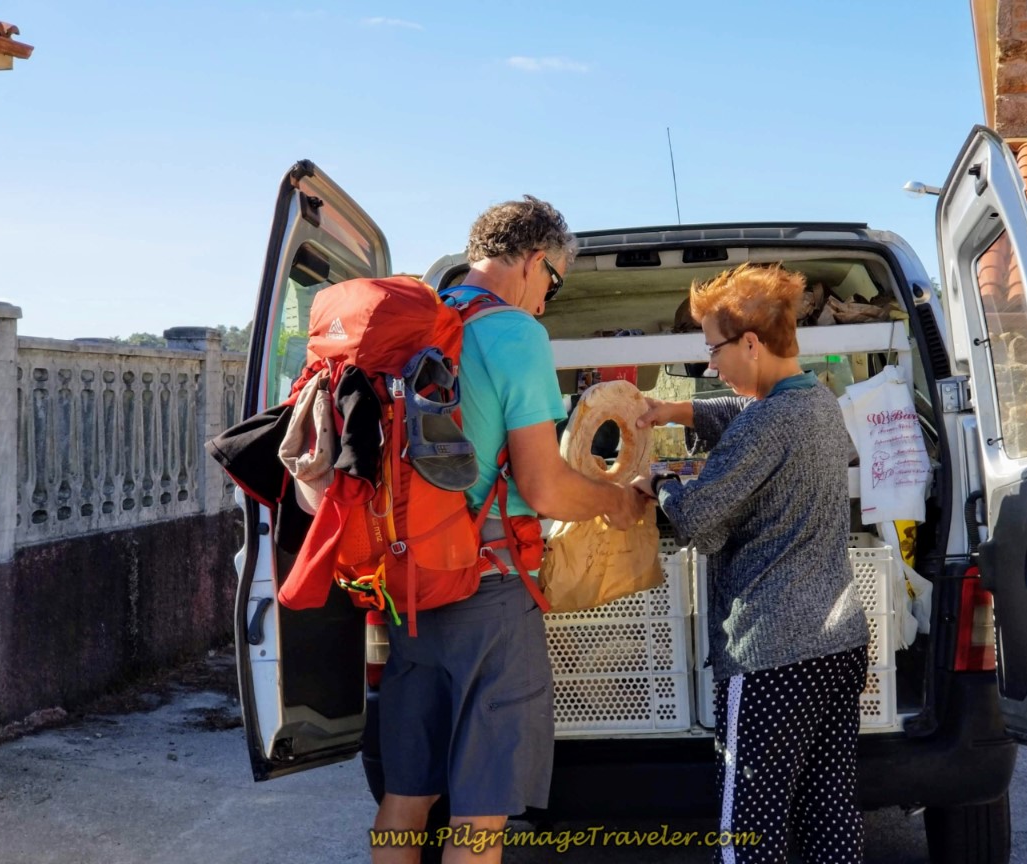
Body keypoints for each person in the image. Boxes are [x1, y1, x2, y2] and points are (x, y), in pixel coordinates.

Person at [371, 195, 647, 864]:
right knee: (479, 813)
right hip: (488, 594)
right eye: (552, 282)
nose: (546, 303)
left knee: (406, 798)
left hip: (405, 586)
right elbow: (544, 486)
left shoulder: (418, 323)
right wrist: (615, 501)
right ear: (532, 261)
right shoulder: (515, 334)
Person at [631, 262, 869, 864]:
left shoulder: (767, 424)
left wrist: (657, 481)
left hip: (771, 658)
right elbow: (748, 418)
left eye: (714, 350)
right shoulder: (816, 400)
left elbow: (697, 521)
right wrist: (673, 411)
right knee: (830, 810)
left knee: (750, 830)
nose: (711, 365)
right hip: (839, 646)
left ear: (752, 344)